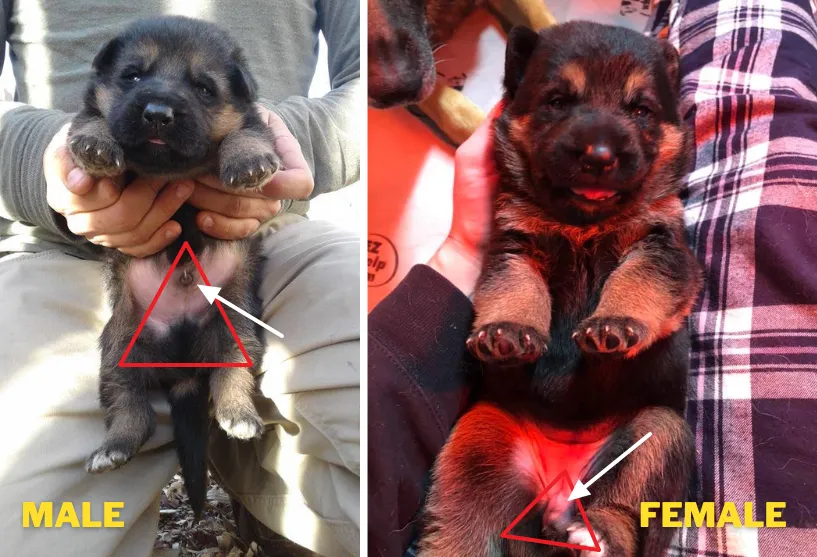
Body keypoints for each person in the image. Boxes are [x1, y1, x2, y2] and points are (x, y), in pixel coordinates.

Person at [370, 0, 817, 554]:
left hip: (625, 421)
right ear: (513, 108)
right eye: (559, 101)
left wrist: (627, 316)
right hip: (517, 422)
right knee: (468, 467)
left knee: (663, 434)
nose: (601, 146)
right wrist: (507, 317)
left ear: (674, 122)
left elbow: (664, 270)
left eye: (640, 111)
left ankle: (613, 529)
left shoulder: (656, 208)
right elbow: (513, 269)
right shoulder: (519, 207)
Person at [0, 2, 360, 557]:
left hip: (263, 241)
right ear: (102, 80)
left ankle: (250, 454)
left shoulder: (245, 126)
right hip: (68, 251)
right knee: (20, 522)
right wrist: (44, 159)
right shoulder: (92, 124)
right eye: (134, 78)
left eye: (203, 90)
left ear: (239, 99)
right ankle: (141, 435)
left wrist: (271, 155)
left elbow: (374, 84)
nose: (162, 106)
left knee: (385, 415)